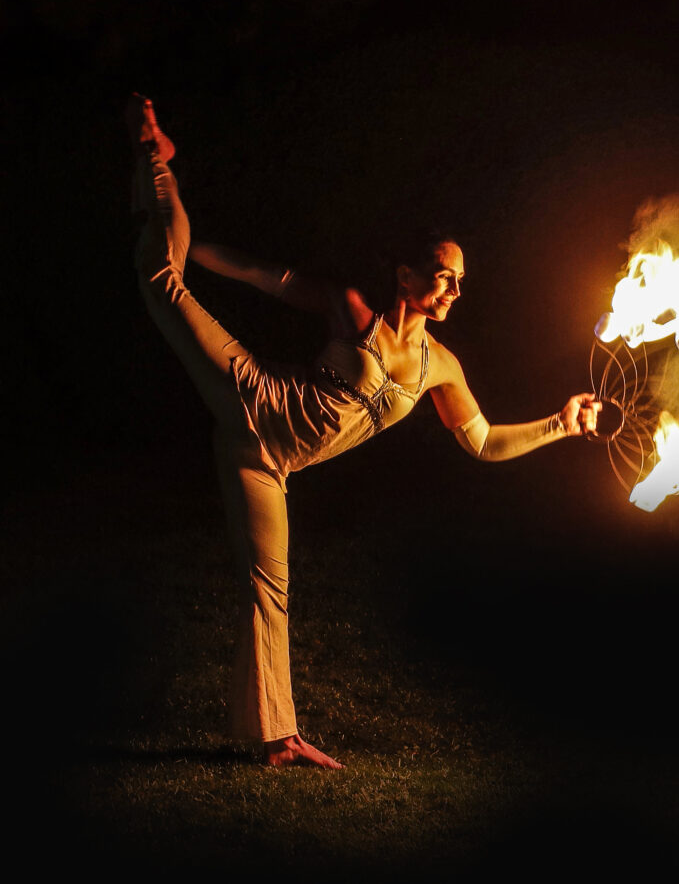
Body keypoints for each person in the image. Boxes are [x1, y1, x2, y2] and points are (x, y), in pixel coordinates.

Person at [129, 94, 599, 769]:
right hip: (250, 396)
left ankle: (277, 736)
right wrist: (188, 246)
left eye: (460, 282)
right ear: (406, 275)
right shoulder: (355, 313)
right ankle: (156, 166)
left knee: (270, 587)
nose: (453, 292)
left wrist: (562, 422)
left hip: (268, 464)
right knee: (162, 281)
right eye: (443, 276)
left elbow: (485, 442)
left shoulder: (443, 368)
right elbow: (264, 275)